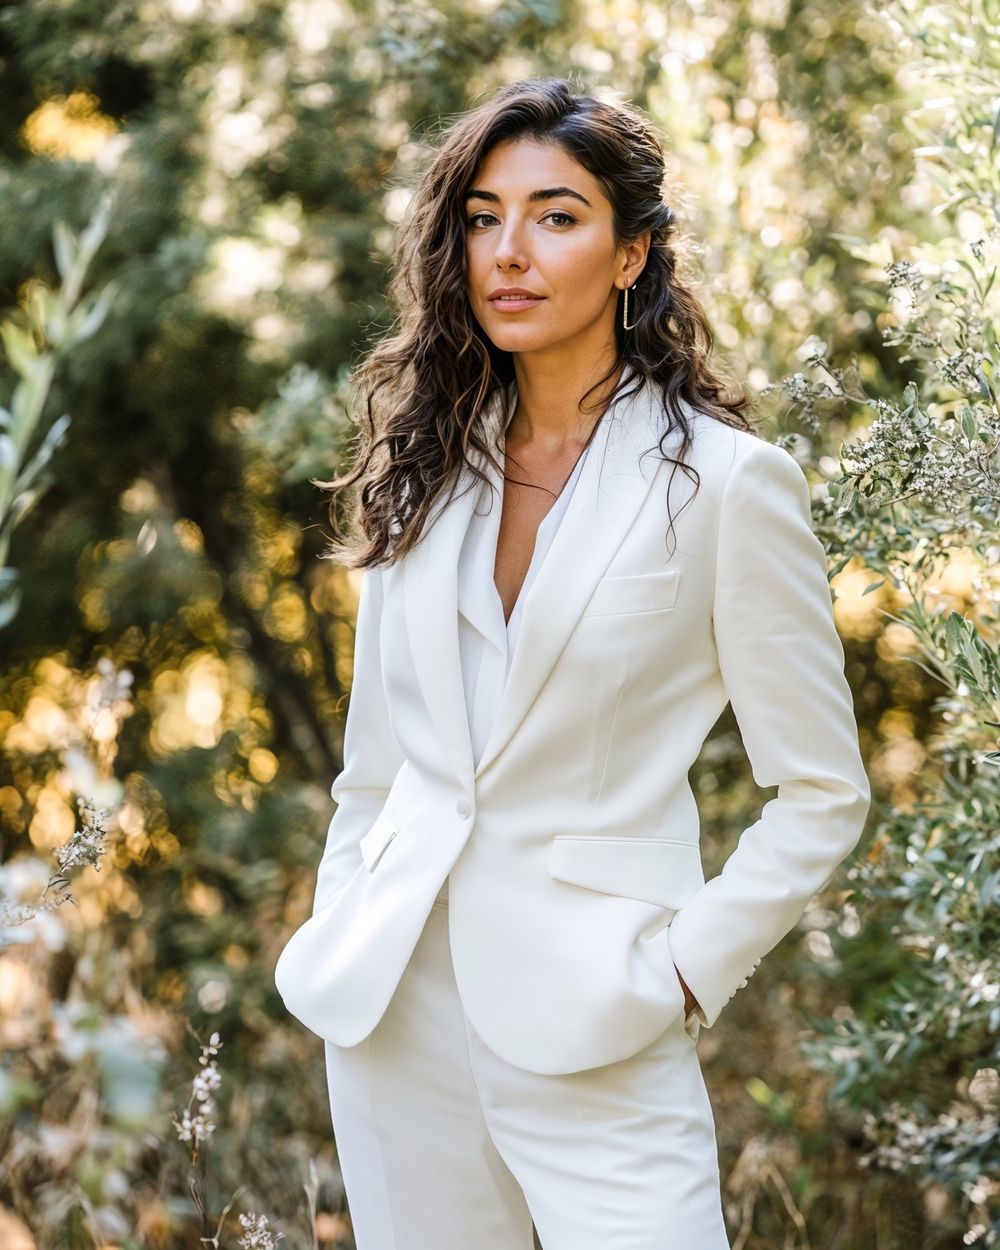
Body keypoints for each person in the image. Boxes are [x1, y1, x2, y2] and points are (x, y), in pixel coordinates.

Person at [274, 77, 871, 1250]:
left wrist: (685, 974)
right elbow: (374, 769)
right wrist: (344, 903)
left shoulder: (730, 486)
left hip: (601, 1010)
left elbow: (821, 791)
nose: (510, 251)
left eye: (556, 215)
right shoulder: (423, 469)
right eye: (483, 216)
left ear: (631, 252)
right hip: (395, 1007)